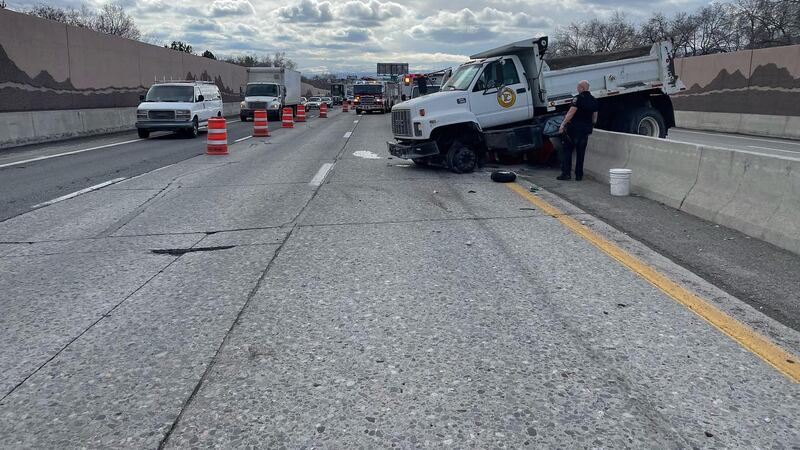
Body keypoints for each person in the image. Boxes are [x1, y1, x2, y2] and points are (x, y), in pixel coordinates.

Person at [557, 80, 598, 181]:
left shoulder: (577, 99)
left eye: (578, 87)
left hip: (574, 130)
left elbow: (571, 113)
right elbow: (595, 117)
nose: (577, 88)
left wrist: (562, 124)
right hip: (585, 130)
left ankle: (566, 174)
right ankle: (579, 175)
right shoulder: (594, 100)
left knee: (567, 151)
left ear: (582, 88)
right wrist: (590, 125)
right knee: (581, 153)